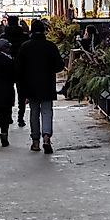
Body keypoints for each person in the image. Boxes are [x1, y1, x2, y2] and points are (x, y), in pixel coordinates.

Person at [16, 19, 65, 154]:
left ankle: (35, 141)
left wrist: (22, 87)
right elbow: (59, 65)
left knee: (34, 112)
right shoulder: (50, 46)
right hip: (47, 84)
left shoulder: (25, 47)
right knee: (47, 111)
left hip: (31, 85)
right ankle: (46, 137)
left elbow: (19, 68)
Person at [1, 15, 30, 128]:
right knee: (22, 93)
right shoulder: (24, 36)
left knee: (7, 92)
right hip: (21, 67)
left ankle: (8, 116)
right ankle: (20, 118)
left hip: (6, 67)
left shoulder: (4, 36)